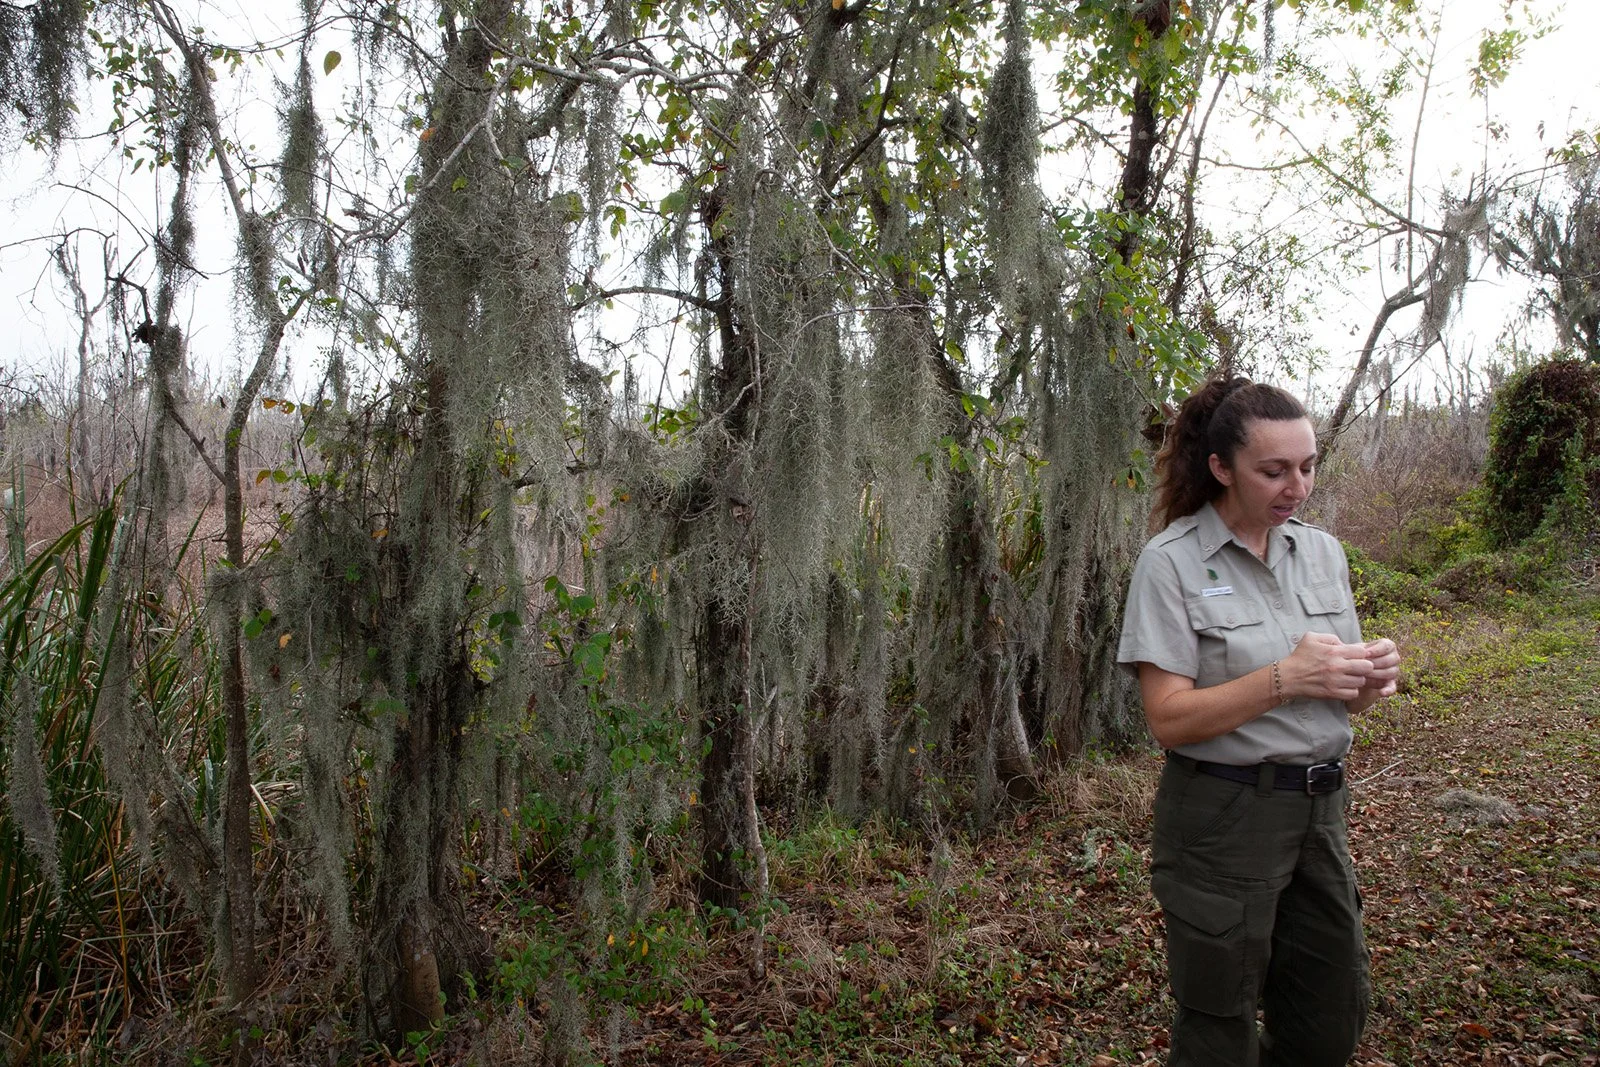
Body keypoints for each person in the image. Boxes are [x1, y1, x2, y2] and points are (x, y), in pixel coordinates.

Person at [1117, 376, 1400, 1067]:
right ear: (1221, 467)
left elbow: (1341, 698)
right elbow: (1168, 719)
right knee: (1219, 1023)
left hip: (1321, 812)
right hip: (1223, 814)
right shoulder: (1171, 563)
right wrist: (1284, 678)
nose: (1295, 487)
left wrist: (1368, 681)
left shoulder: (1322, 552)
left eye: (1307, 466)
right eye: (1273, 471)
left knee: (1331, 1014)